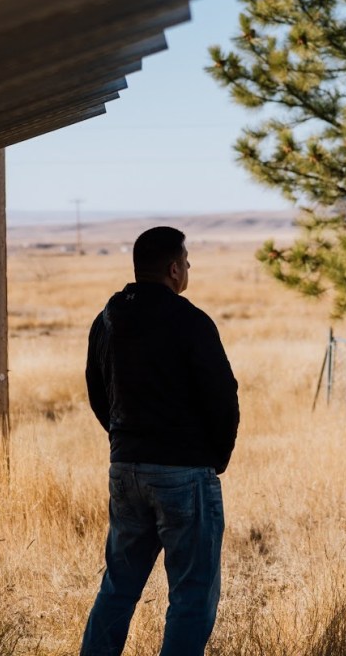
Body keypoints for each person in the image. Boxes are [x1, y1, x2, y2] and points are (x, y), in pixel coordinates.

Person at [80, 226, 239, 656]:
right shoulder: (190, 320)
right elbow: (222, 395)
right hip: (184, 474)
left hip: (125, 468)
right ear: (173, 269)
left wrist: (122, 439)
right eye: (185, 262)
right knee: (191, 596)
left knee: (118, 587)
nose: (187, 269)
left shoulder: (108, 318)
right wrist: (215, 458)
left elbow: (97, 389)